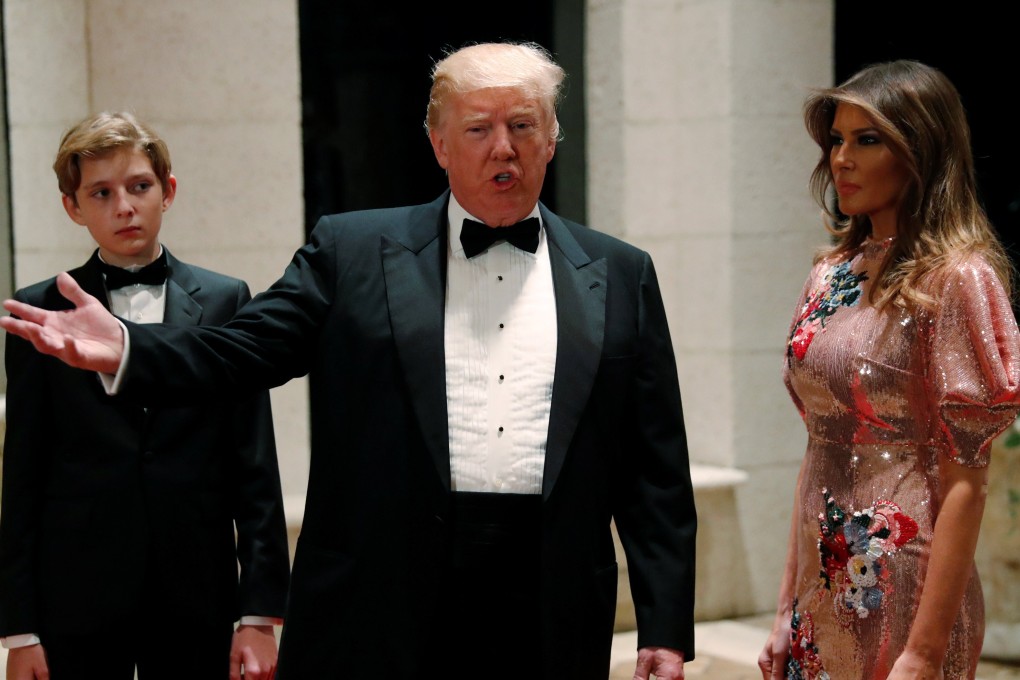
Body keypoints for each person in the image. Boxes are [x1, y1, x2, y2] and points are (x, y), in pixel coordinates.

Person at [0, 43, 697, 679]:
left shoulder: (620, 271)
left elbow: (654, 469)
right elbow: (241, 349)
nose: (503, 149)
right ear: (438, 144)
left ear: (552, 140)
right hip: (385, 596)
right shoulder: (353, 249)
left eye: (523, 125)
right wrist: (128, 348)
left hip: (550, 596)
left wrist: (664, 626)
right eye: (479, 129)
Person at [0, 112, 291, 680]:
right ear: (73, 207)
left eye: (139, 186)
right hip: (75, 603)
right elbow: (23, 477)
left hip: (198, 597)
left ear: (168, 190)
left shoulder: (228, 301)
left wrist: (258, 617)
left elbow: (255, 468)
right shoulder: (43, 311)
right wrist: (20, 629)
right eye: (101, 193)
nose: (124, 207)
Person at [757, 60, 1020, 680]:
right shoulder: (830, 274)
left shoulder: (958, 279)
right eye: (838, 140)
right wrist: (783, 610)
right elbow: (818, 446)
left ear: (921, 152)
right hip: (820, 586)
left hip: (904, 583)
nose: (841, 159)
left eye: (867, 140)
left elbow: (967, 481)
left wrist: (924, 653)